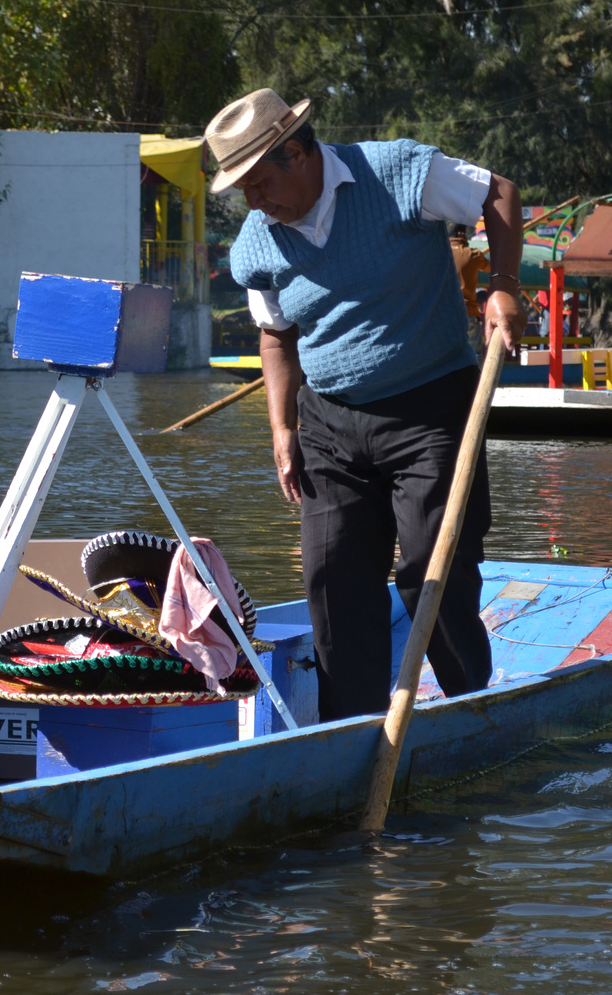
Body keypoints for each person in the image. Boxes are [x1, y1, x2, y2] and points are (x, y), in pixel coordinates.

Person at [211, 88, 526, 724]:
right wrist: (282, 427)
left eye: (256, 182)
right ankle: (350, 732)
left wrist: (504, 287)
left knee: (432, 569)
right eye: (241, 190)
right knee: (333, 584)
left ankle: (470, 712)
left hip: (430, 408)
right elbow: (276, 337)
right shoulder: (257, 245)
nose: (252, 202)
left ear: (296, 154)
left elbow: (499, 193)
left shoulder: (398, 172)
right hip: (329, 424)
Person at [450, 223, 489, 348]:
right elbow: (489, 268)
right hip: (468, 313)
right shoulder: (473, 254)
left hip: (443, 315)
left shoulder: (438, 253)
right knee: (473, 355)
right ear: (461, 234)